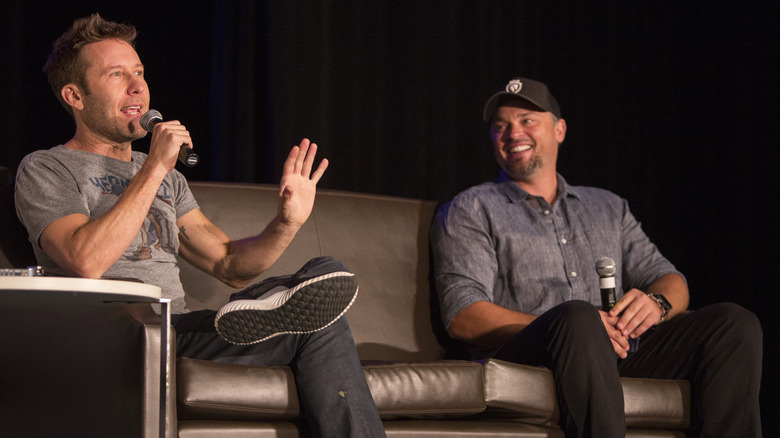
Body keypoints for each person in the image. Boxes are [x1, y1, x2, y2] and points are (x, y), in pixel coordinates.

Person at [15, 14, 386, 437]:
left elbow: (229, 263)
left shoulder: (169, 179)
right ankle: (270, 306)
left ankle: (271, 307)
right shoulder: (47, 167)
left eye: (139, 73)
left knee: (321, 309)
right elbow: (86, 260)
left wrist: (287, 222)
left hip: (180, 328)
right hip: (117, 332)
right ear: (75, 96)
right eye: (117, 75)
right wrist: (153, 167)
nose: (138, 87)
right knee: (299, 302)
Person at [430, 77, 762, 437]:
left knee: (734, 322)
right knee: (579, 316)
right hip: (537, 351)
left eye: (526, 120)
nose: (512, 133)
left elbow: (670, 279)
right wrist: (573, 325)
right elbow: (462, 315)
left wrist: (657, 304)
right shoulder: (473, 207)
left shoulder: (607, 206)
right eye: (500, 127)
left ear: (559, 130)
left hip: (616, 349)